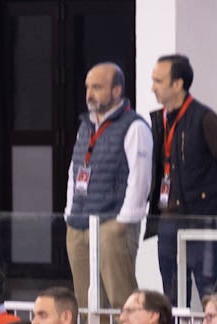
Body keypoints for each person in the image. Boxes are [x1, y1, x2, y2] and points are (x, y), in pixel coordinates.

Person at [146, 56, 217, 306]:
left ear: (178, 84)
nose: (153, 87)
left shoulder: (205, 119)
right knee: (171, 298)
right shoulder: (161, 120)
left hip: (202, 222)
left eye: (158, 81)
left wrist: (211, 205)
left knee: (212, 296)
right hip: (168, 220)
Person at [61, 64, 151, 310]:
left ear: (116, 91)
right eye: (88, 87)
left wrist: (123, 223)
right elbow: (74, 171)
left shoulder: (135, 126)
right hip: (79, 223)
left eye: (97, 87)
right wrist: (69, 212)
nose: (90, 93)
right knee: (87, 304)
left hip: (112, 224)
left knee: (122, 302)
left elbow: (140, 178)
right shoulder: (85, 126)